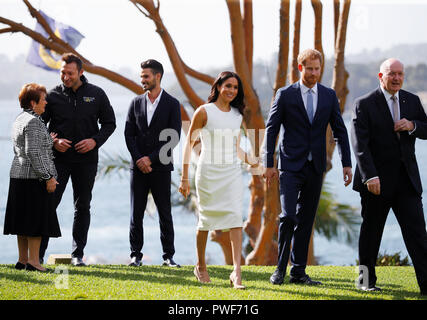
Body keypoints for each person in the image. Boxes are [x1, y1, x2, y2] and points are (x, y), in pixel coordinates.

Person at [264, 49, 353, 286]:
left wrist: (346, 163)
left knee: (305, 220)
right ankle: (280, 270)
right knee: (288, 216)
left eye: (317, 69)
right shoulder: (285, 95)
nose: (314, 73)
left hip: (316, 167)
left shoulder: (329, 95)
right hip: (290, 166)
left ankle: (299, 273)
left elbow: (339, 130)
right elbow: (271, 129)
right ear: (300, 68)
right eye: (310, 69)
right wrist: (268, 163)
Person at [351, 58, 427, 295]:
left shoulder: (412, 100)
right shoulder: (363, 103)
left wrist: (412, 125)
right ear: (380, 76)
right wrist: (369, 176)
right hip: (376, 183)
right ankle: (365, 282)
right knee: (370, 236)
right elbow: (359, 145)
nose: (396, 78)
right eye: (391, 73)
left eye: (400, 74)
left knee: (418, 235)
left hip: (407, 182)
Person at [179, 71, 259, 289]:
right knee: (205, 221)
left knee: (235, 219)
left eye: (235, 87)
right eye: (228, 86)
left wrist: (253, 161)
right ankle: (201, 266)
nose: (232, 91)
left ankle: (237, 273)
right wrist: (185, 178)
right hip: (208, 173)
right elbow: (188, 144)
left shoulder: (237, 116)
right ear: (218, 87)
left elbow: (235, 148)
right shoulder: (204, 112)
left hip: (231, 174)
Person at [40, 53, 116, 266]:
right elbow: (39, 126)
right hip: (58, 160)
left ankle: (77, 254)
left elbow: (110, 123)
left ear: (81, 72)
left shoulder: (97, 94)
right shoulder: (52, 95)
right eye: (63, 72)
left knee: (82, 206)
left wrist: (94, 141)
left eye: (70, 73)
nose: (65, 77)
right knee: (49, 204)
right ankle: (38, 255)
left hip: (86, 160)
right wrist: (53, 142)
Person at [125, 59, 182, 268]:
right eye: (141, 77)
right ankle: (135, 255)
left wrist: (151, 158)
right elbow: (129, 134)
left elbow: (174, 136)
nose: (142, 80)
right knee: (135, 213)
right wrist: (140, 158)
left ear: (157, 76)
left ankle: (168, 256)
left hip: (161, 166)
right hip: (137, 167)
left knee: (165, 213)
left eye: (146, 76)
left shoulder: (172, 103)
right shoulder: (135, 102)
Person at [3, 83, 61, 272]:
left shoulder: (20, 119)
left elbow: (28, 146)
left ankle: (22, 260)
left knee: (22, 221)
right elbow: (34, 153)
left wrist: (48, 141)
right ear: (33, 102)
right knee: (36, 221)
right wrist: (48, 177)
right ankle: (35, 263)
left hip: (19, 176)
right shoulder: (35, 122)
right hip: (33, 178)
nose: (46, 102)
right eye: (43, 99)